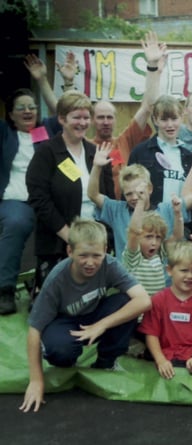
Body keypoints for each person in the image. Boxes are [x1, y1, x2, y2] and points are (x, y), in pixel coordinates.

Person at [19, 219, 152, 413]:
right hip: (65, 322)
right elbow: (34, 330)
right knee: (60, 350)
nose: (90, 262)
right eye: (83, 255)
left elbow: (144, 301)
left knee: (126, 302)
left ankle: (105, 362)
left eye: (96, 255)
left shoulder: (109, 264)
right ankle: (68, 360)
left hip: (95, 315)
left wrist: (102, 325)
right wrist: (36, 380)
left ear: (105, 250)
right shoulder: (57, 279)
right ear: (70, 251)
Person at [32, 33, 166, 199]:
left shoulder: (125, 140)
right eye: (101, 117)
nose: (105, 122)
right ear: (92, 120)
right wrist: (54, 82)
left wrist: (153, 68)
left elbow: (147, 107)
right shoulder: (83, 144)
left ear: (116, 120)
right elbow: (64, 111)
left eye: (110, 117)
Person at [26, 91, 114, 290]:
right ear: (62, 119)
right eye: (76, 117)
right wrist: (71, 237)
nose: (82, 123)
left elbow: (108, 198)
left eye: (86, 118)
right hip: (59, 241)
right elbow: (40, 201)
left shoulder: (97, 153)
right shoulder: (46, 153)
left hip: (96, 239)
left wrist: (103, 237)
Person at [88, 145, 192, 258]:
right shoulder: (116, 211)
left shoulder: (166, 210)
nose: (135, 197)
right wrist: (97, 167)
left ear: (150, 188)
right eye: (128, 194)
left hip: (161, 279)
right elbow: (93, 195)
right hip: (128, 280)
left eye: (139, 192)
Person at [0, 88, 58, 314]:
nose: (27, 111)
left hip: (45, 199)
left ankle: (44, 287)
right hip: (15, 200)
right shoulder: (5, 132)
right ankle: (5, 288)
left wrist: (44, 80)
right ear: (11, 114)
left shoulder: (46, 130)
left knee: (60, 225)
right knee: (16, 223)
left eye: (32, 107)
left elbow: (64, 111)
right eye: (21, 108)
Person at [138, 240, 192, 379]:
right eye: (184, 270)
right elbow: (151, 334)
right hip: (166, 354)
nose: (189, 276)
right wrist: (161, 360)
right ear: (169, 270)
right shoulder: (158, 299)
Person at [128, 95, 192, 209]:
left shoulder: (189, 157)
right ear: (155, 120)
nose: (170, 125)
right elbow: (128, 190)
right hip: (150, 220)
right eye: (164, 119)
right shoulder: (140, 152)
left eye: (174, 119)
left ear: (182, 118)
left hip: (182, 222)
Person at [122, 185, 184, 296]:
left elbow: (177, 237)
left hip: (155, 308)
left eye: (158, 237)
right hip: (138, 309)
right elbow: (134, 231)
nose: (154, 242)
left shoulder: (158, 254)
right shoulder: (133, 257)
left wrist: (177, 213)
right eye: (148, 237)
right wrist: (140, 202)